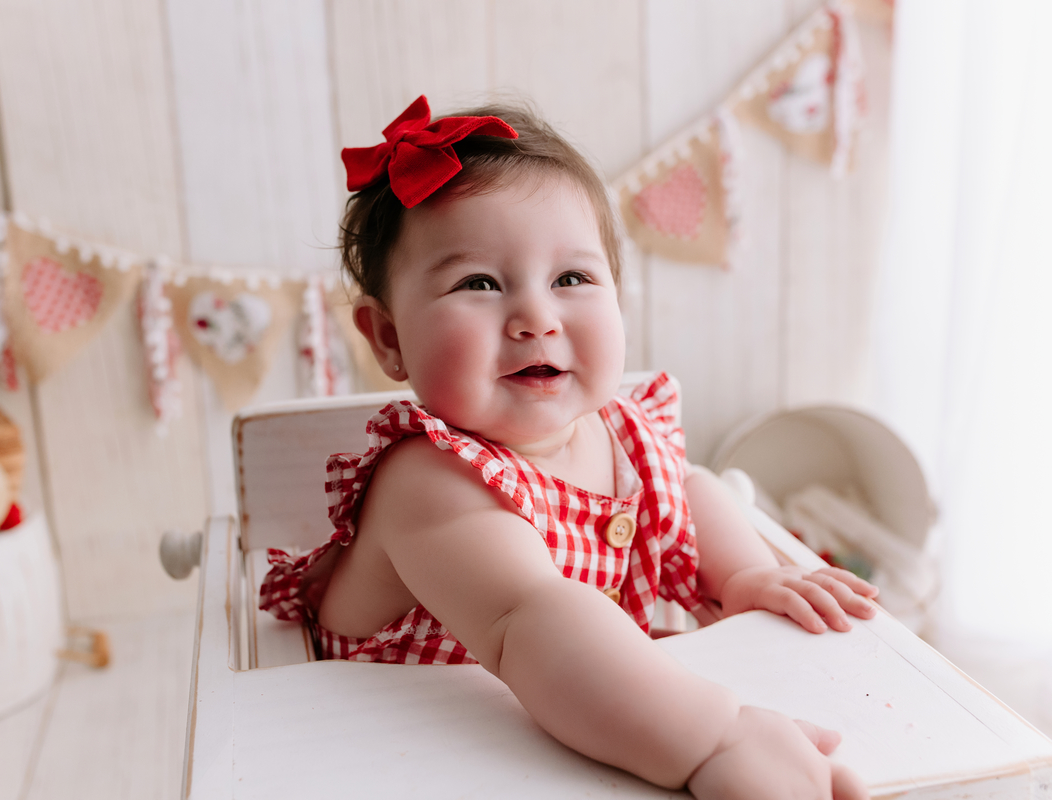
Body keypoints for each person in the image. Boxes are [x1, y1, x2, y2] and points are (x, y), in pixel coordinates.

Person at [260, 95, 878, 799]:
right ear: (389, 337)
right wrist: (717, 739)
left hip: (573, 719)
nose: (536, 317)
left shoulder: (618, 431)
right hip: (398, 758)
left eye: (571, 279)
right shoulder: (427, 481)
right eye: (479, 284)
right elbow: (533, 620)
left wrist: (742, 577)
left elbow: (686, 490)